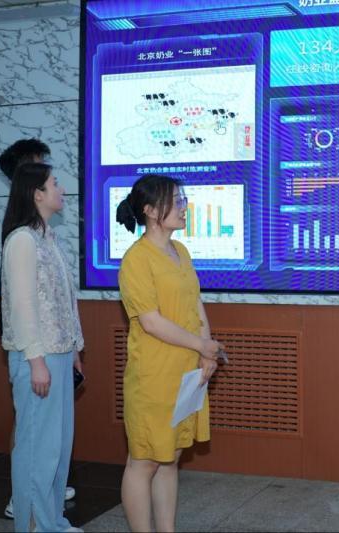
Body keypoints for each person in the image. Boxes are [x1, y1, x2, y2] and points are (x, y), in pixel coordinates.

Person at [115, 174, 221, 532]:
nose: (183, 207)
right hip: (154, 376)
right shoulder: (136, 259)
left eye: (182, 199)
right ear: (149, 210)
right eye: (175, 201)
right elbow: (151, 322)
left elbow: (194, 303)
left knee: (170, 457)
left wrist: (207, 351)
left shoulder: (181, 251)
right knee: (143, 461)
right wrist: (201, 345)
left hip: (186, 372)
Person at [0, 139, 77, 519]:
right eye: (54, 183)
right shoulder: (22, 240)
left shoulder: (48, 238)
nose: (62, 189)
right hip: (37, 356)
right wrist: (36, 361)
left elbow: (63, 300)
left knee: (57, 446)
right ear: (37, 193)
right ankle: (32, 524)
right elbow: (23, 306)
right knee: (35, 448)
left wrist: (74, 349)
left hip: (59, 352)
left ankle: (53, 521)